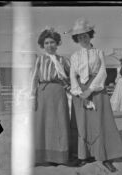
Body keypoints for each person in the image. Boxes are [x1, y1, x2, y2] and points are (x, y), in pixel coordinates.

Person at [68, 18, 122, 172]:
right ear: (76, 39)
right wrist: (79, 92)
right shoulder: (74, 56)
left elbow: (102, 72)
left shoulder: (99, 52)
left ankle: (105, 156)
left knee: (101, 122)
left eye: (85, 35)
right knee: (83, 123)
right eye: (79, 37)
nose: (83, 38)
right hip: (79, 92)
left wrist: (90, 90)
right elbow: (73, 75)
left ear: (90, 35)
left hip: (97, 90)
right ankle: (83, 155)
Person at [30, 27, 71, 166]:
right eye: (46, 43)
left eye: (52, 42)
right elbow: (33, 78)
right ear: (43, 45)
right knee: (42, 124)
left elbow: (71, 78)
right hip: (43, 93)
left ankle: (58, 157)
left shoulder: (64, 60)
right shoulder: (39, 59)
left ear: (57, 43)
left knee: (59, 124)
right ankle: (41, 156)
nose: (49, 45)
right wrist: (32, 97)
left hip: (59, 94)